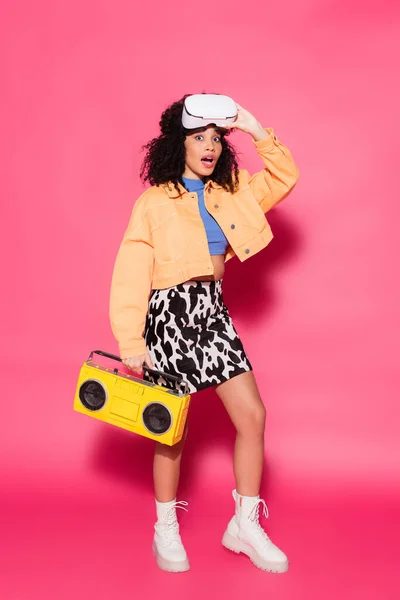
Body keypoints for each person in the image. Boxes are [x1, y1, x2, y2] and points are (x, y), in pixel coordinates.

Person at [109, 94, 300, 573]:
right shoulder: (154, 202)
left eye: (216, 137)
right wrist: (133, 344)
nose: (210, 146)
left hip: (212, 311)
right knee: (170, 430)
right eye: (199, 137)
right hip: (169, 316)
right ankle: (165, 529)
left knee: (252, 416)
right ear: (179, 144)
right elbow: (131, 272)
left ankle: (244, 526)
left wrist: (254, 127)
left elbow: (284, 178)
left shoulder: (231, 190)